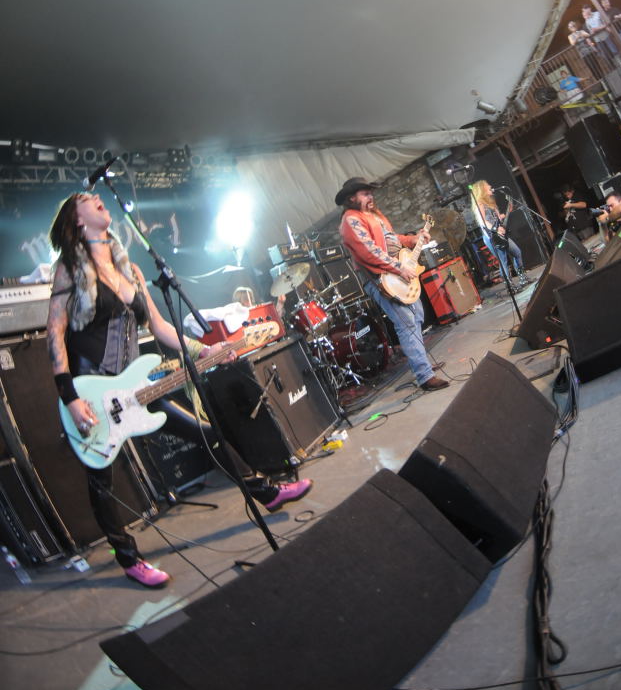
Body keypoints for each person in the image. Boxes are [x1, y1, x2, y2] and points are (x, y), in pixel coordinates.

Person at [47, 192, 312, 588]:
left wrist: (205, 349)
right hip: (91, 394)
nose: (99, 198)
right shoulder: (69, 269)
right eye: (88, 198)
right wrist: (69, 397)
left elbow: (159, 327)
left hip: (136, 386)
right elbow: (54, 334)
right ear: (78, 220)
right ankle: (129, 558)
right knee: (101, 482)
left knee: (206, 433)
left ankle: (265, 493)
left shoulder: (129, 269)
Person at [335, 178, 448, 391]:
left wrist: (412, 239)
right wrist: (399, 268)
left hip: (395, 274)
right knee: (407, 323)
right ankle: (424, 375)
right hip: (381, 279)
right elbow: (368, 251)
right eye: (365, 194)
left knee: (416, 317)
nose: (371, 197)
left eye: (370, 193)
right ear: (351, 198)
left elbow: (392, 239)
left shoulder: (374, 216)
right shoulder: (351, 219)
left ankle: (422, 364)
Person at [469, 181, 530, 287]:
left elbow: (497, 219)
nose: (490, 186)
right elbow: (483, 221)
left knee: (517, 252)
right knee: (503, 260)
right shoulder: (480, 203)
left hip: (500, 235)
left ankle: (522, 278)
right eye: (487, 185)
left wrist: (506, 213)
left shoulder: (491, 203)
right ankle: (510, 286)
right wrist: (496, 229)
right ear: (482, 189)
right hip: (491, 236)